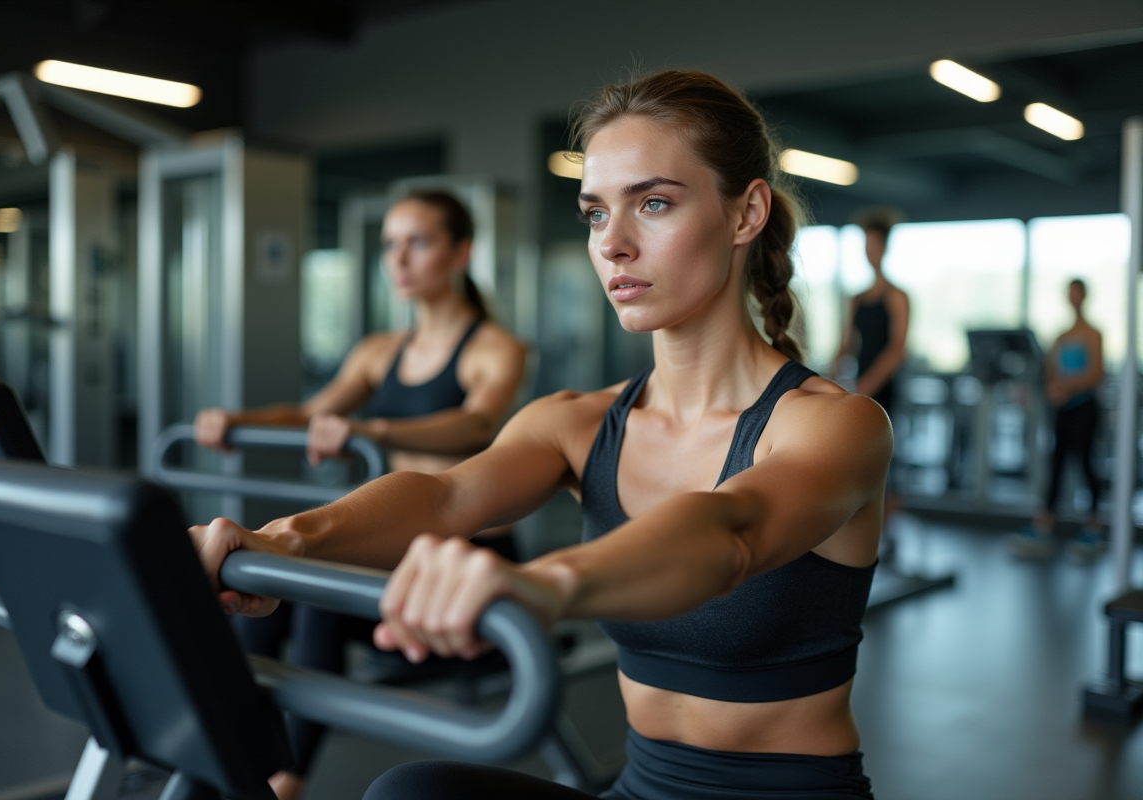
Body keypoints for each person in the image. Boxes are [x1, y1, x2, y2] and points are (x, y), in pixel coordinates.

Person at [192, 70, 890, 800]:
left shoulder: (836, 425)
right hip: (640, 789)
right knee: (413, 794)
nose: (613, 244)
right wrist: (281, 540)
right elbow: (445, 498)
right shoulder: (577, 423)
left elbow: (729, 532)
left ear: (746, 213)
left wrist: (542, 584)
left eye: (653, 203)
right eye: (595, 214)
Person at [194, 189, 527, 799]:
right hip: (391, 552)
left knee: (318, 587)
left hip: (468, 557)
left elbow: (479, 423)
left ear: (461, 251)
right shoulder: (380, 351)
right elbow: (309, 411)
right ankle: (242, 760)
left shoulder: (494, 348)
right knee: (262, 579)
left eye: (418, 243)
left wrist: (373, 429)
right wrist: (234, 421)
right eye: (390, 246)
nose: (398, 260)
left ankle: (285, 783)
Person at [1010, 278, 1104, 561]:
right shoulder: (1061, 336)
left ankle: (1093, 525)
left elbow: (1095, 373)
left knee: (1086, 463)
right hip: (1063, 409)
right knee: (1057, 463)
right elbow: (1050, 372)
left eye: (1077, 294)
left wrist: (1068, 387)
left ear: (1084, 297)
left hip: (1085, 407)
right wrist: (1054, 387)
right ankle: (1044, 524)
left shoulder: (1093, 334)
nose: (1073, 298)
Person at [834, 212, 908, 556]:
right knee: (860, 457)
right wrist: (831, 381)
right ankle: (863, 530)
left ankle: (887, 533)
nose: (870, 252)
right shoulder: (856, 299)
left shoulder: (896, 296)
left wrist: (867, 384)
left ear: (886, 249)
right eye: (866, 246)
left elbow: (896, 350)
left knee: (886, 459)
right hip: (860, 387)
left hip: (884, 387)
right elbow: (845, 345)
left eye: (875, 246)